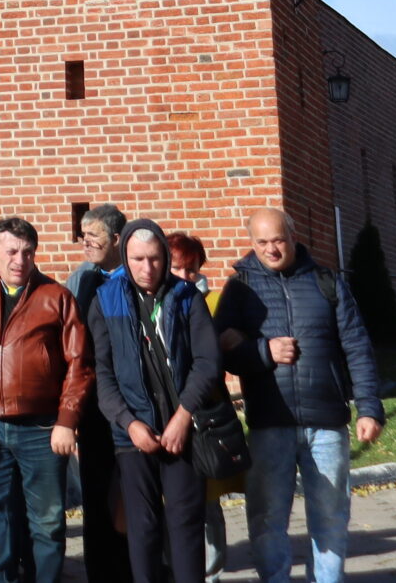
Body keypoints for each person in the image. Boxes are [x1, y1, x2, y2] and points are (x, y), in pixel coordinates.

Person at [216, 208, 383, 583]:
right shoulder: (240, 288)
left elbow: (357, 346)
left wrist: (370, 408)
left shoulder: (327, 282)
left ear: (293, 236)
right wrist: (263, 352)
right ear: (252, 243)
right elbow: (220, 351)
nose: (271, 249)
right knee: (266, 518)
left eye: (278, 240)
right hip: (268, 423)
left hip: (326, 424)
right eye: (262, 242)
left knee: (330, 516)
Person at [0, 217, 88, 583]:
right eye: (11, 251)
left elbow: (79, 364)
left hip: (41, 428)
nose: (19, 260)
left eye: (28, 252)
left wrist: (67, 420)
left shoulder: (56, 297)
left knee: (46, 520)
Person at [89, 223, 219, 583]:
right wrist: (129, 423)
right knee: (142, 528)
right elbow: (102, 373)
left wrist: (183, 416)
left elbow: (207, 363)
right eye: (138, 260)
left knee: (186, 523)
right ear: (125, 260)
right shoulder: (105, 299)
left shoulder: (187, 296)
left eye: (155, 258)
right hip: (133, 435)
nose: (147, 268)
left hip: (184, 431)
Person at [165, 233, 233, 583]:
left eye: (192, 269)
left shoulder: (215, 301)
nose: (186, 275)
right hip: (166, 414)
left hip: (205, 418)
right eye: (178, 267)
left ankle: (211, 570)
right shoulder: (156, 302)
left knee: (207, 502)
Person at [68, 205, 130, 583]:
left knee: (131, 498)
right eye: (83, 235)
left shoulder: (138, 275)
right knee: (95, 496)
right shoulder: (83, 279)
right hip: (94, 408)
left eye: (95, 236)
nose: (86, 242)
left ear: (117, 240)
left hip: (132, 406)